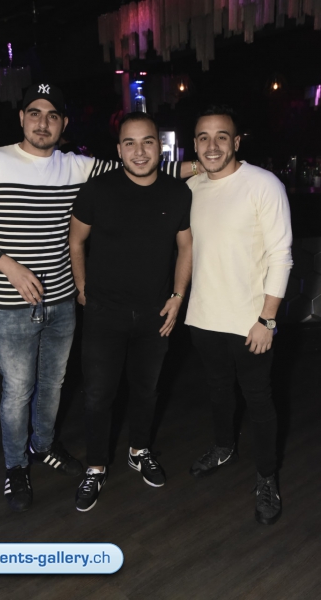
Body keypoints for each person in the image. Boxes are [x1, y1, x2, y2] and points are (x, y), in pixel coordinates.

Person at [0, 83, 199, 512]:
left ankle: (44, 445)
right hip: (10, 302)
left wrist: (208, 163)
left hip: (64, 300)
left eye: (52, 115)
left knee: (54, 384)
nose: (42, 123)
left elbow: (143, 165)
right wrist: (9, 266)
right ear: (22, 118)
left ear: (63, 124)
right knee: (18, 390)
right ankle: (15, 467)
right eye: (34, 113)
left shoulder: (77, 166)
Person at [69, 112, 193, 512]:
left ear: (160, 146)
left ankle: (139, 450)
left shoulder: (177, 193)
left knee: (146, 390)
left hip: (156, 313)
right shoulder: (97, 189)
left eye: (147, 142)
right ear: (119, 149)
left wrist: (178, 296)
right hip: (105, 312)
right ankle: (96, 466)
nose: (139, 152)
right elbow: (76, 240)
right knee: (97, 395)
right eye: (130, 143)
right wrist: (82, 288)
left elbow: (186, 247)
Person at [186, 105, 293, 525]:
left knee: (259, 401)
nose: (212, 145)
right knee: (217, 391)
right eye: (204, 137)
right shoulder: (192, 187)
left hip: (251, 323)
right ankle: (223, 447)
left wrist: (267, 320)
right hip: (203, 318)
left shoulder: (263, 184)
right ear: (195, 144)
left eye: (221, 136)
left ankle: (267, 477)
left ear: (236, 141)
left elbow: (281, 256)